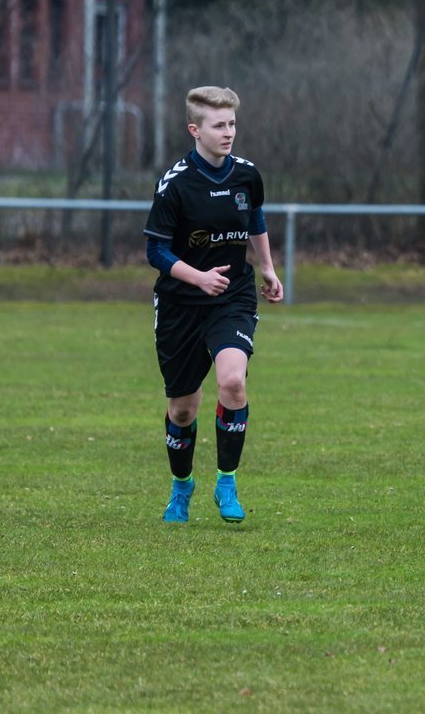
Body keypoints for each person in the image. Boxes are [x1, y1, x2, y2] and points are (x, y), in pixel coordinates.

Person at [143, 86, 284, 525]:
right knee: (183, 408)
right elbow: (156, 253)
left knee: (233, 383)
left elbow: (255, 218)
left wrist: (267, 268)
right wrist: (197, 276)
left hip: (233, 296)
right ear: (195, 130)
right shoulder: (175, 184)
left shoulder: (246, 175)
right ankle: (182, 487)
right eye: (219, 125)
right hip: (182, 303)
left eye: (232, 124)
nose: (229, 133)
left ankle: (227, 481)